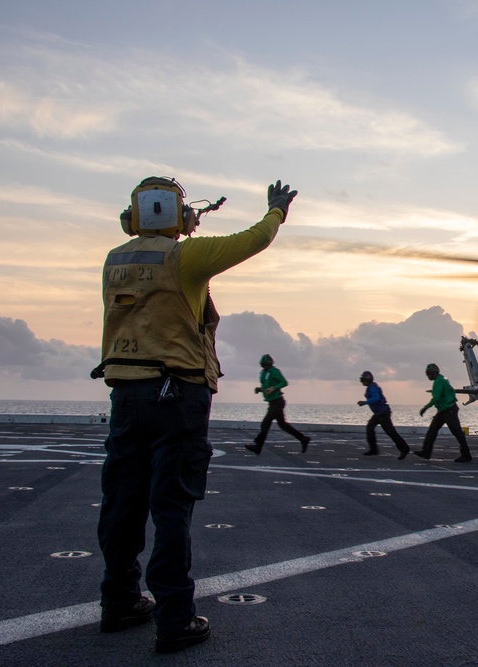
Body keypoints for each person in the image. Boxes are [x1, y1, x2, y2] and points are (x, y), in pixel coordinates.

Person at [92, 177, 298, 654]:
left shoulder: (115, 259)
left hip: (125, 392)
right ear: (179, 218)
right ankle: (175, 619)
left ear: (131, 218)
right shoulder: (186, 257)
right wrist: (275, 211)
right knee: (172, 506)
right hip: (177, 396)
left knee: (122, 502)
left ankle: (118, 601)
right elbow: (253, 240)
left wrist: (183, 227)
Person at [245, 354, 310, 455]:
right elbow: (266, 387)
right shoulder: (263, 373)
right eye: (263, 365)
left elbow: (284, 382)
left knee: (265, 423)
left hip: (278, 402)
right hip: (272, 403)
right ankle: (303, 438)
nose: (265, 366)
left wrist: (274, 388)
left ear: (270, 363)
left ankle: (258, 446)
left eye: (266, 364)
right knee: (283, 425)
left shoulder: (274, 371)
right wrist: (260, 389)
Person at [414, 363, 472, 462]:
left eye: (428, 373)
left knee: (457, 432)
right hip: (445, 410)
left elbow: (436, 398)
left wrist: (425, 408)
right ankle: (426, 452)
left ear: (433, 373)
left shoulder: (439, 381)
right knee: (433, 430)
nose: (428, 376)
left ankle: (466, 454)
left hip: (448, 410)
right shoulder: (442, 379)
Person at [356, 370, 411, 459]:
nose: (362, 382)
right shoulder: (371, 387)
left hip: (383, 413)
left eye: (363, 380)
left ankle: (404, 449)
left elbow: (376, 398)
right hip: (379, 413)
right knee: (370, 428)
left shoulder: (372, 387)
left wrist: (365, 402)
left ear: (367, 380)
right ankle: (373, 449)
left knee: (391, 432)